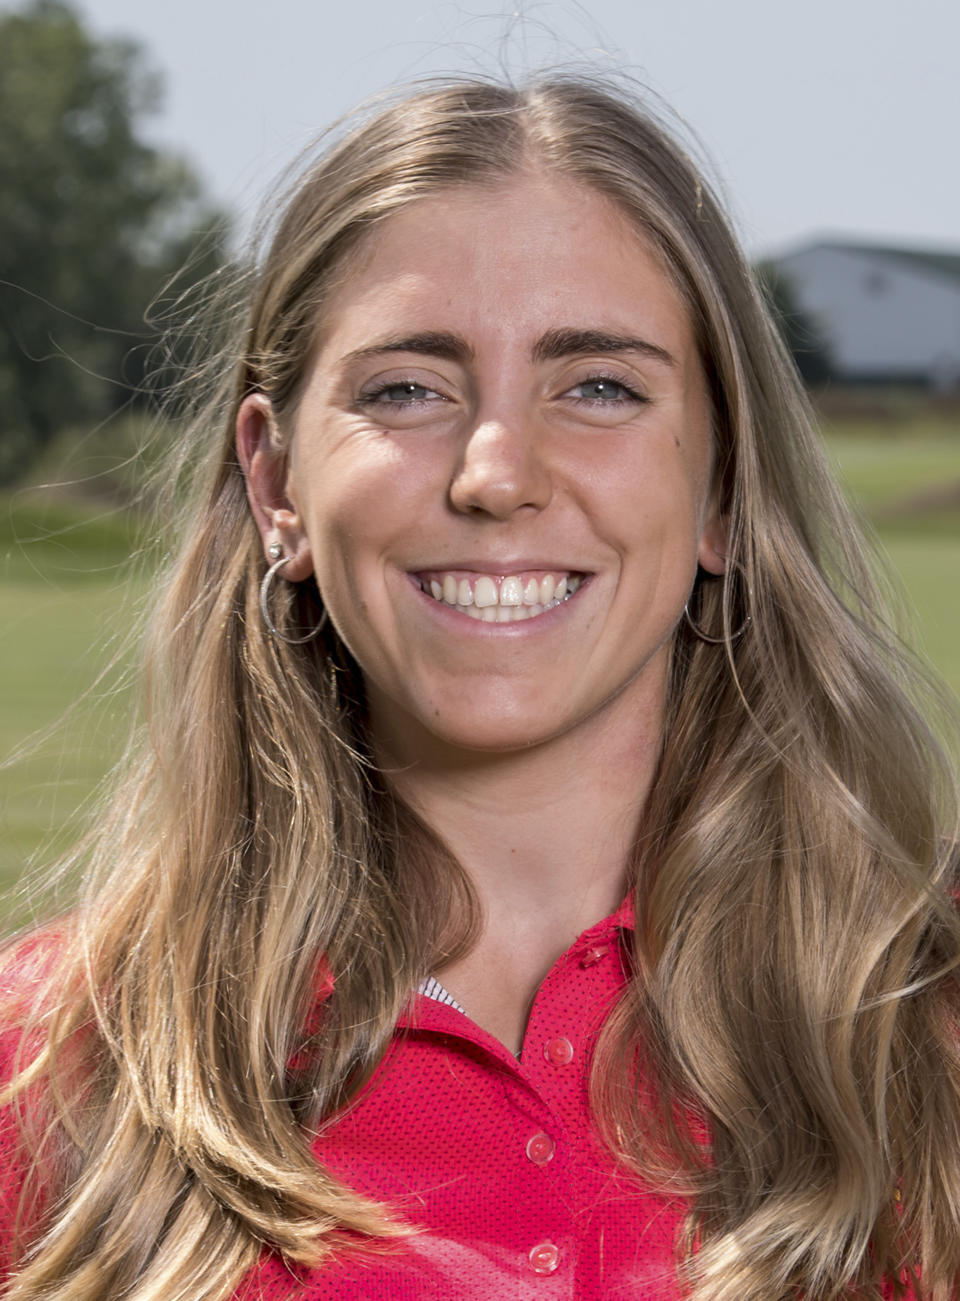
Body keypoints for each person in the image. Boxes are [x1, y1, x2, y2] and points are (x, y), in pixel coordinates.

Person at [1, 73, 958, 1301]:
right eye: (407, 388)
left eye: (599, 384)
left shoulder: (923, 1019)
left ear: (724, 486)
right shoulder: (58, 1060)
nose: (497, 473)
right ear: (277, 482)